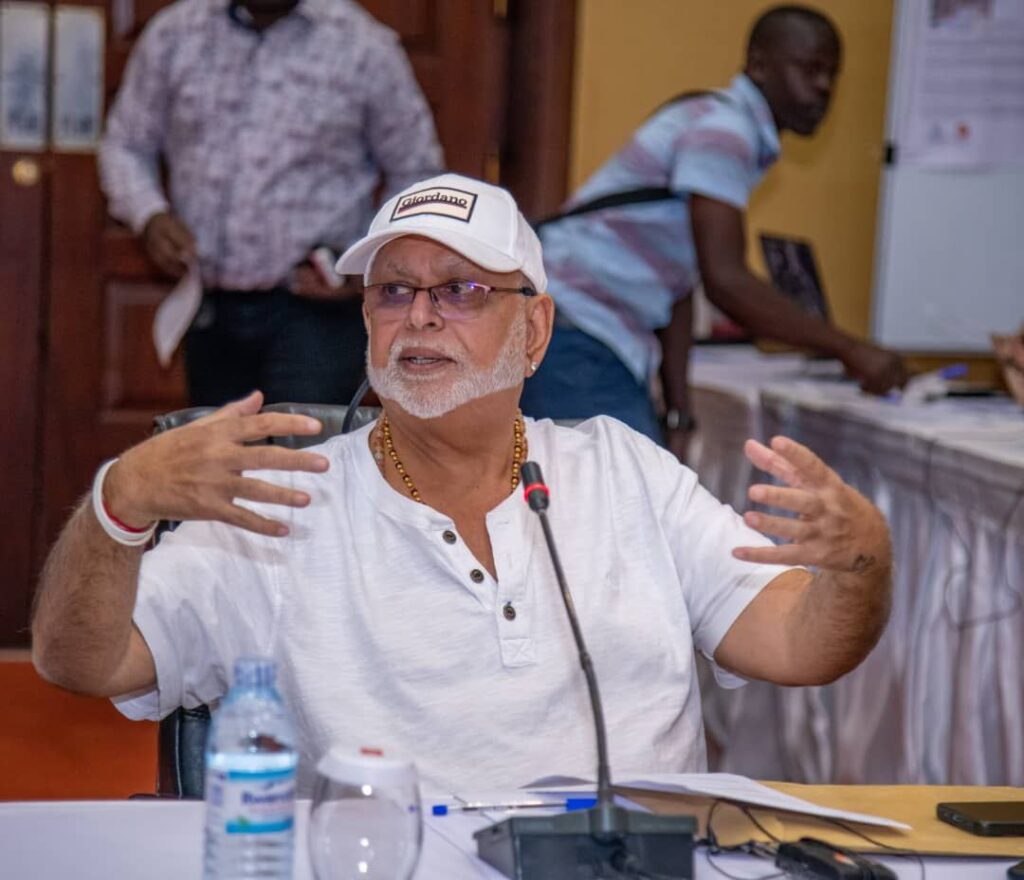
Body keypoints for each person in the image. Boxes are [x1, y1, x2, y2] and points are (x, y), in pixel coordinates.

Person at [32, 173, 893, 795]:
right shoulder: (279, 498)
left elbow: (801, 646)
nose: (420, 316)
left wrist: (863, 564)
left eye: (461, 290)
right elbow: (82, 661)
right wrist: (118, 508)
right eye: (393, 291)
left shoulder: (624, 470)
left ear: (535, 329)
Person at [519, 4, 907, 454]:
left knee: (627, 482)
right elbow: (726, 281)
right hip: (578, 330)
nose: (823, 87)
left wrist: (678, 411)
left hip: (578, 326)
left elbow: (679, 282)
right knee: (621, 488)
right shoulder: (726, 132)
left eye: (831, 74)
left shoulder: (712, 118)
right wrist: (850, 349)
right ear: (758, 65)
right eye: (809, 68)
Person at [99, 0, 443, 406]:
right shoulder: (175, 34)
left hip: (315, 312)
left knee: (305, 444)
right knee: (215, 444)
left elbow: (417, 172)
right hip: (207, 303)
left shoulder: (363, 45)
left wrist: (366, 264)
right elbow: (125, 145)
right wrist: (150, 215)